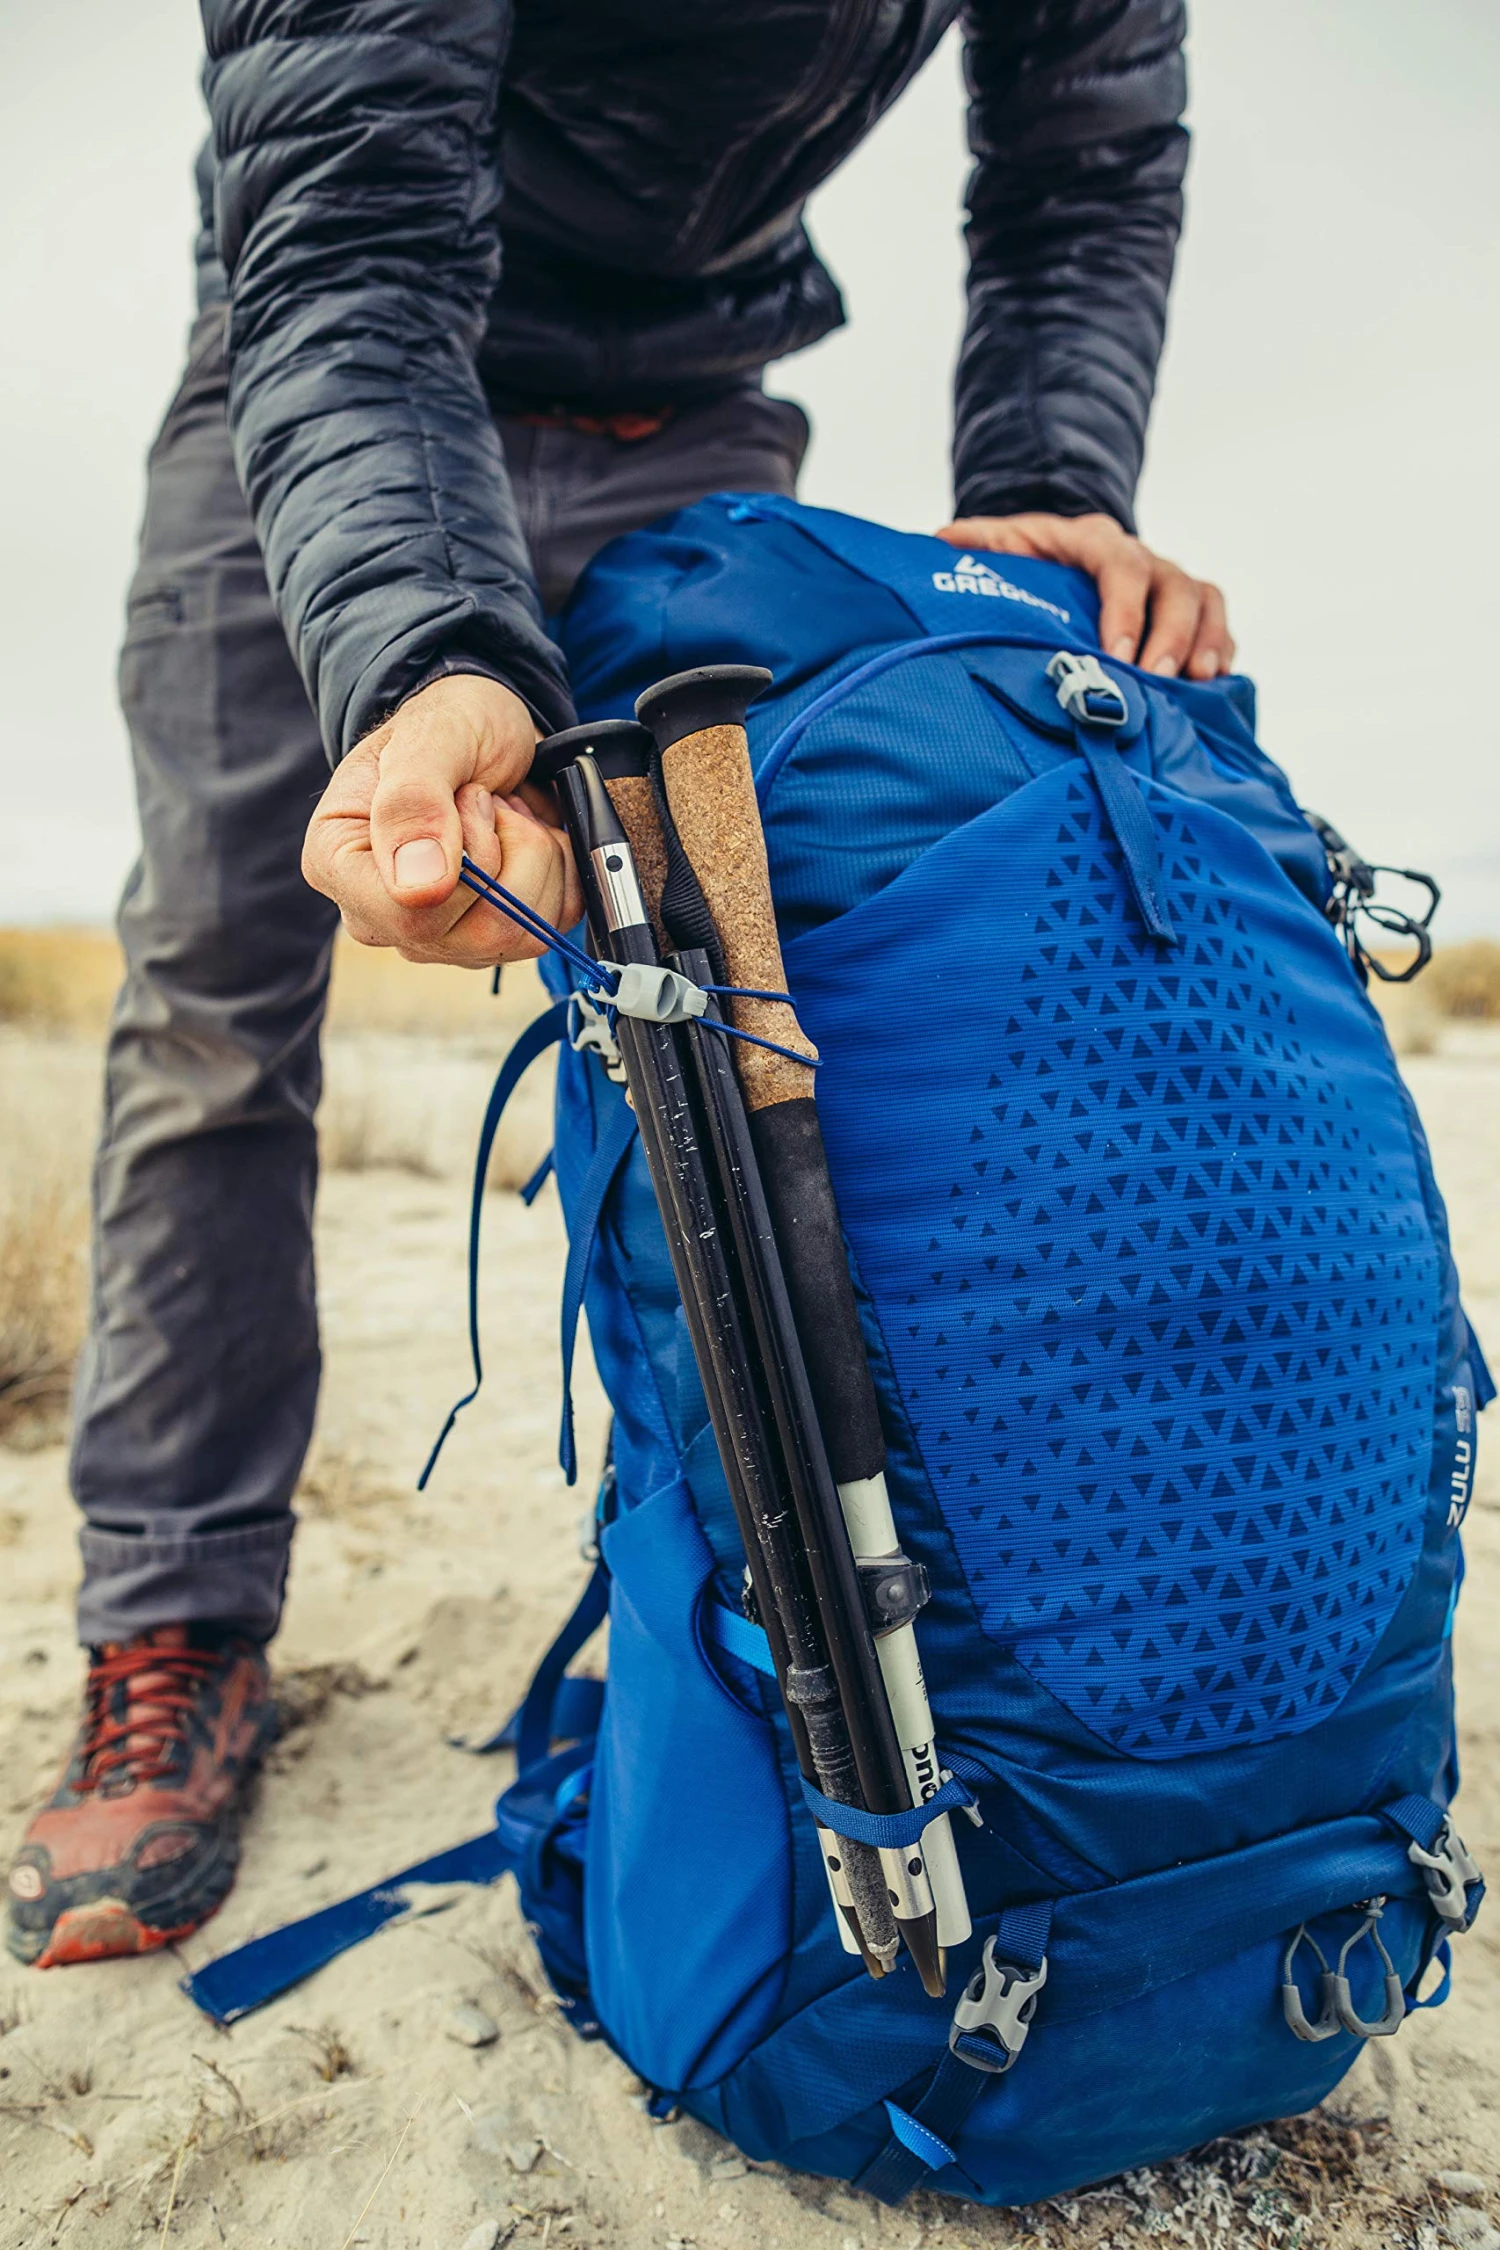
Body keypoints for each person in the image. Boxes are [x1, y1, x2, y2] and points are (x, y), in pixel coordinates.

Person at [7, 0, 1234, 1969]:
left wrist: (1053, 473)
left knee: (752, 1016)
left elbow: (1086, 163)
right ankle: (175, 1627)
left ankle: (746, 1610)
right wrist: (426, 651)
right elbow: (345, 213)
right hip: (337, 362)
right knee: (217, 1013)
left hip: (703, 406)